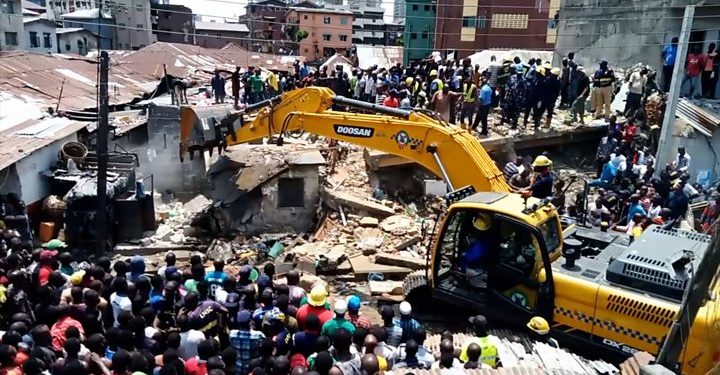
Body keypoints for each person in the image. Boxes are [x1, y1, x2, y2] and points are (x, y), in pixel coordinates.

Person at [229, 311, 266, 375]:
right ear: (250, 322)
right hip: (252, 370)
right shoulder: (258, 335)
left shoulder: (232, 334)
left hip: (238, 369)